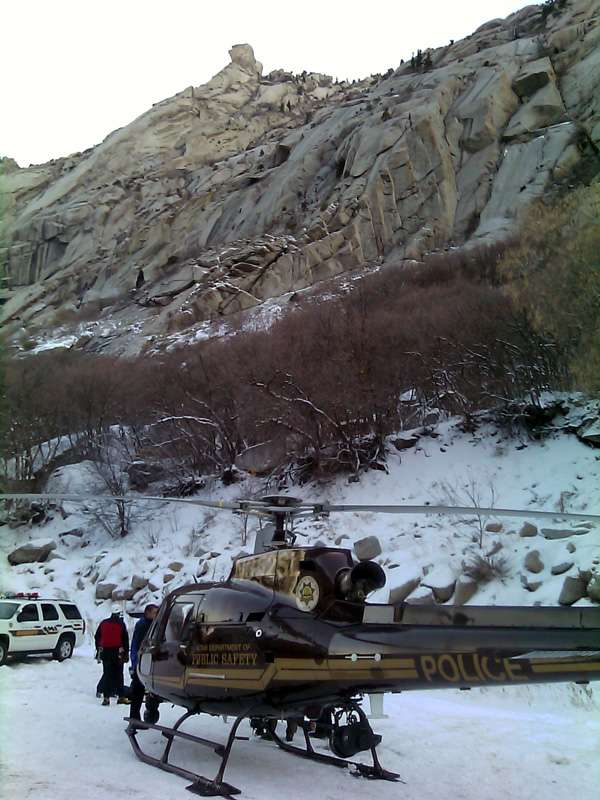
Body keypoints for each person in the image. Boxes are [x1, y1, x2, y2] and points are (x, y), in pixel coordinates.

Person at [95, 605, 130, 706]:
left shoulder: (104, 623)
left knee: (107, 674)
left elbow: (97, 637)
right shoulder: (121, 624)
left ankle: (106, 698)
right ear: (119, 614)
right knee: (119, 675)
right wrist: (126, 653)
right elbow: (125, 639)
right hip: (118, 653)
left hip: (105, 653)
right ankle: (121, 697)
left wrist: (98, 650)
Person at [129, 603, 158, 721]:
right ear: (148, 613)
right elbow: (136, 644)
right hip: (141, 662)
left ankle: (148, 715)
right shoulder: (142, 625)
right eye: (155, 612)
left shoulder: (155, 624)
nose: (157, 614)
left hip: (151, 662)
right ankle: (134, 718)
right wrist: (135, 662)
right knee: (138, 691)